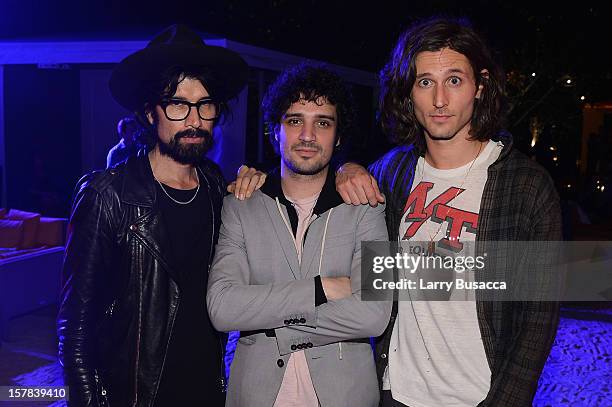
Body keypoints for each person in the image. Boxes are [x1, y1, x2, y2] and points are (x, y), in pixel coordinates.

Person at [334, 17, 562, 407]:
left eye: (454, 80)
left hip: (479, 396)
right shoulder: (392, 173)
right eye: (425, 82)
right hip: (396, 391)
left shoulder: (525, 186)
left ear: (480, 86)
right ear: (408, 93)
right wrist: (345, 168)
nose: (439, 100)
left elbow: (538, 321)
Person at [57, 24, 262, 406]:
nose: (194, 120)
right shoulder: (108, 195)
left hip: (206, 390)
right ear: (151, 113)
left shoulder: (218, 186)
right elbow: (76, 331)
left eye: (205, 105)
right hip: (137, 395)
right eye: (177, 105)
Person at [207, 63, 391, 407]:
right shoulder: (241, 205)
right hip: (257, 395)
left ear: (338, 137)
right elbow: (222, 307)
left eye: (322, 122)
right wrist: (323, 288)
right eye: (294, 121)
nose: (307, 135)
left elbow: (374, 315)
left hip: (344, 396)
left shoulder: (367, 205)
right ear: (274, 130)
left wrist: (275, 324)